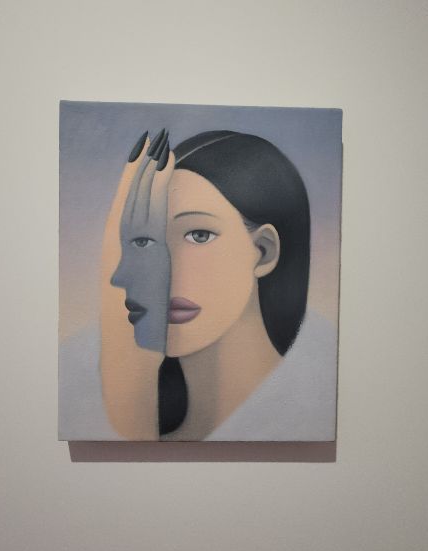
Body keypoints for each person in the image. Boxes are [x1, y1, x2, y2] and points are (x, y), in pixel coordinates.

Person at [87, 129, 334, 441]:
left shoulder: (311, 406)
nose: (162, 272)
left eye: (198, 235)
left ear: (264, 251)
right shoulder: (134, 423)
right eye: (144, 241)